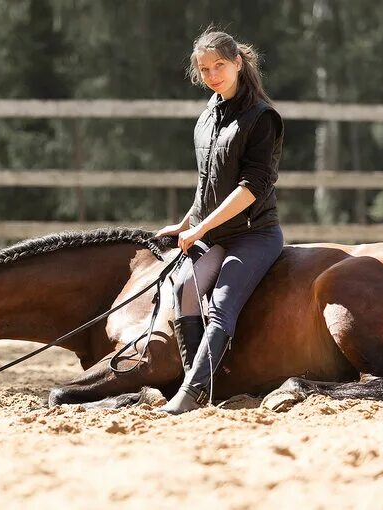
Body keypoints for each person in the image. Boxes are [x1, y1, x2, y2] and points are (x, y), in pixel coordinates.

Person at [155, 29, 285, 415]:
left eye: (220, 66)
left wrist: (201, 229)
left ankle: (191, 394)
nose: (213, 75)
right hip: (215, 232)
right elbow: (207, 183)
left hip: (255, 234)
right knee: (182, 290)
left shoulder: (262, 118)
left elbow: (249, 189)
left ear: (238, 63)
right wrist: (186, 224)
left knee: (223, 304)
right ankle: (199, 385)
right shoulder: (209, 114)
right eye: (205, 69)